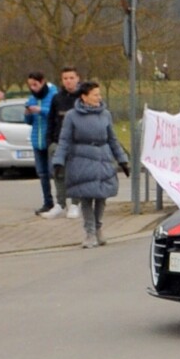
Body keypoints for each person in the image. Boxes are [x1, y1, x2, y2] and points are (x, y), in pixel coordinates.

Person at [56, 80, 127, 247]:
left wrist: (122, 159)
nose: (99, 97)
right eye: (95, 95)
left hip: (103, 159)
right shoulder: (72, 116)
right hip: (82, 160)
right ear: (84, 97)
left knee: (101, 197)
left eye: (99, 94)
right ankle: (89, 232)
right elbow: (64, 140)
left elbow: (112, 139)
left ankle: (98, 228)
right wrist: (58, 160)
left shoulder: (105, 115)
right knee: (86, 198)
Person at [42, 66, 82, 218]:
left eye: (71, 78)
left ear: (77, 78)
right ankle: (60, 203)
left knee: (75, 174)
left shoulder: (82, 98)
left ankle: (75, 204)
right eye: (65, 78)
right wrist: (50, 142)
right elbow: (51, 121)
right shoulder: (57, 98)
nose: (69, 81)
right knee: (58, 173)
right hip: (58, 143)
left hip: (77, 143)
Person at [21, 71, 56, 216]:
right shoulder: (31, 99)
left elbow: (54, 114)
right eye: (30, 85)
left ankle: (62, 201)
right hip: (37, 140)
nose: (33, 88)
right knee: (42, 174)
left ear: (42, 82)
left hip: (51, 139)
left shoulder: (53, 96)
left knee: (54, 172)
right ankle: (48, 202)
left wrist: (41, 110)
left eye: (35, 84)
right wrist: (27, 114)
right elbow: (29, 122)